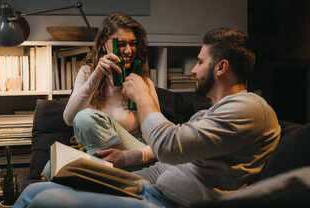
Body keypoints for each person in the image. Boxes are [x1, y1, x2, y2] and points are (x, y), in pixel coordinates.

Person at [14, 27, 281, 208]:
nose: (193, 71)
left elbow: (168, 146)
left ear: (222, 67)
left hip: (162, 202)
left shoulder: (249, 108)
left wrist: (142, 96)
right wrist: (130, 177)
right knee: (32, 191)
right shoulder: (208, 113)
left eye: (200, 62)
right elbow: (167, 159)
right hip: (147, 190)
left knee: (44, 201)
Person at [42, 12, 159, 181]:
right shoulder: (88, 72)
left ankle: (117, 179)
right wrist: (96, 77)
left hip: (133, 151)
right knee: (51, 169)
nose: (128, 50)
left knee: (85, 117)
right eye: (121, 44)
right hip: (97, 152)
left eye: (133, 44)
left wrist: (128, 157)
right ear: (104, 45)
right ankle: (113, 179)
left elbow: (158, 140)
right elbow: (68, 119)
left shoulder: (143, 81)